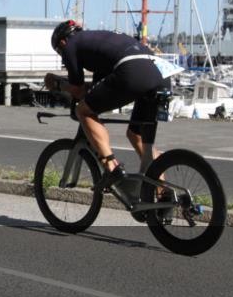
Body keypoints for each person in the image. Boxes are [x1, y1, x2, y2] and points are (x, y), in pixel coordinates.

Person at [43, 20, 169, 194]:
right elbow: (95, 91)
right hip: (161, 72)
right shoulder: (98, 44)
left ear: (62, 42)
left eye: (59, 52)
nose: (63, 56)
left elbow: (78, 90)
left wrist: (57, 83)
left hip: (133, 70)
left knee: (83, 111)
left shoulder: (71, 44)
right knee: (136, 136)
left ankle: (111, 167)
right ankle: (164, 195)